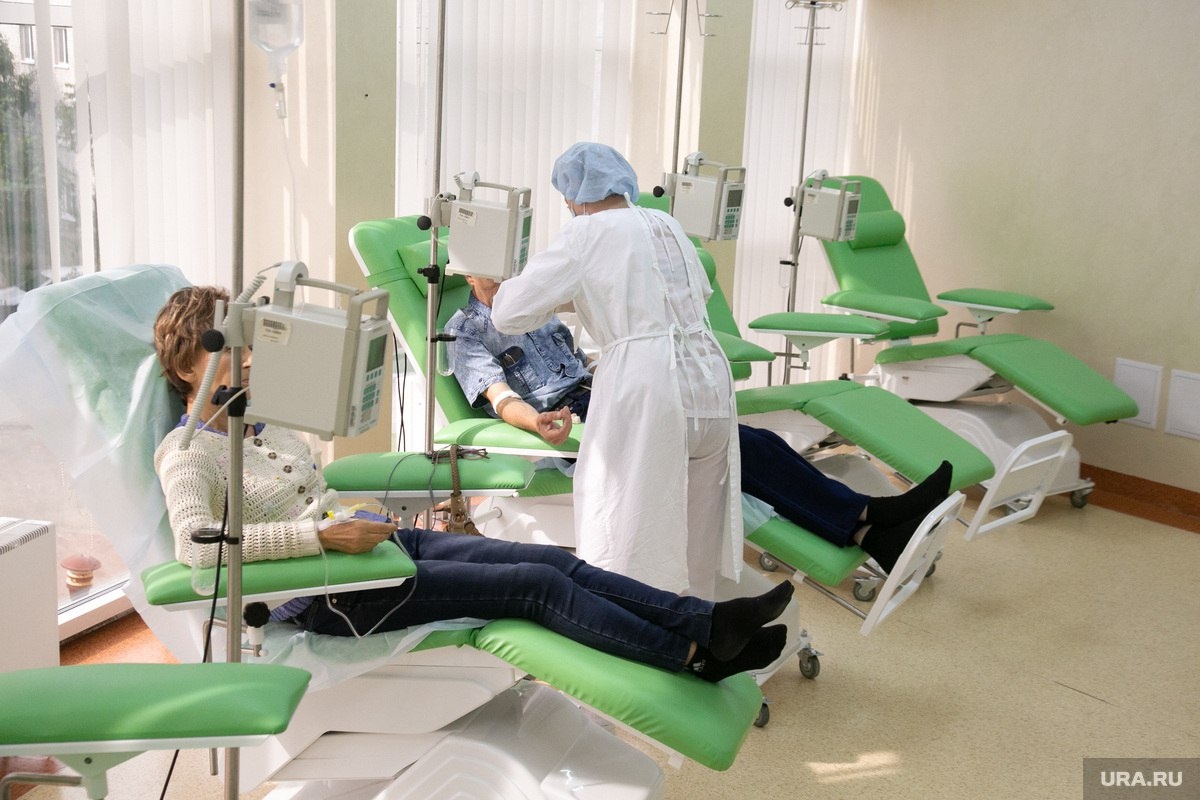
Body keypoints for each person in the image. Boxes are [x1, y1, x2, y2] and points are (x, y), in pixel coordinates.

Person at [151, 285, 794, 682]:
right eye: (229, 348)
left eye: (250, 344)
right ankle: (694, 658)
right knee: (537, 587)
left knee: (554, 562)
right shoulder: (187, 452)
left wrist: (352, 515)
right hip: (331, 593)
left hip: (376, 549)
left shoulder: (271, 425)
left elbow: (313, 499)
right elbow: (199, 548)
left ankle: (708, 620)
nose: (250, 358)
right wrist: (320, 538)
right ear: (186, 365)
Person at [447, 281, 952, 575]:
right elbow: (502, 398)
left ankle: (869, 530)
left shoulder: (532, 309)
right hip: (578, 426)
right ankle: (869, 516)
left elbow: (582, 363)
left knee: (755, 442)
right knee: (744, 449)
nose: (511, 281)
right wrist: (537, 423)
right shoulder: (465, 331)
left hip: (613, 399)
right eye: (498, 274)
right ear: (471, 274)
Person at [489, 142, 741, 599]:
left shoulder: (584, 233)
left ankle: (629, 625)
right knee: (697, 534)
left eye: (566, 200)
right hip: (709, 383)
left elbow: (508, 314)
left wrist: (522, 286)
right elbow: (687, 296)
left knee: (629, 527)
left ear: (574, 195)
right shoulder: (666, 223)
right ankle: (699, 624)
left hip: (649, 386)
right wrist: (590, 296)